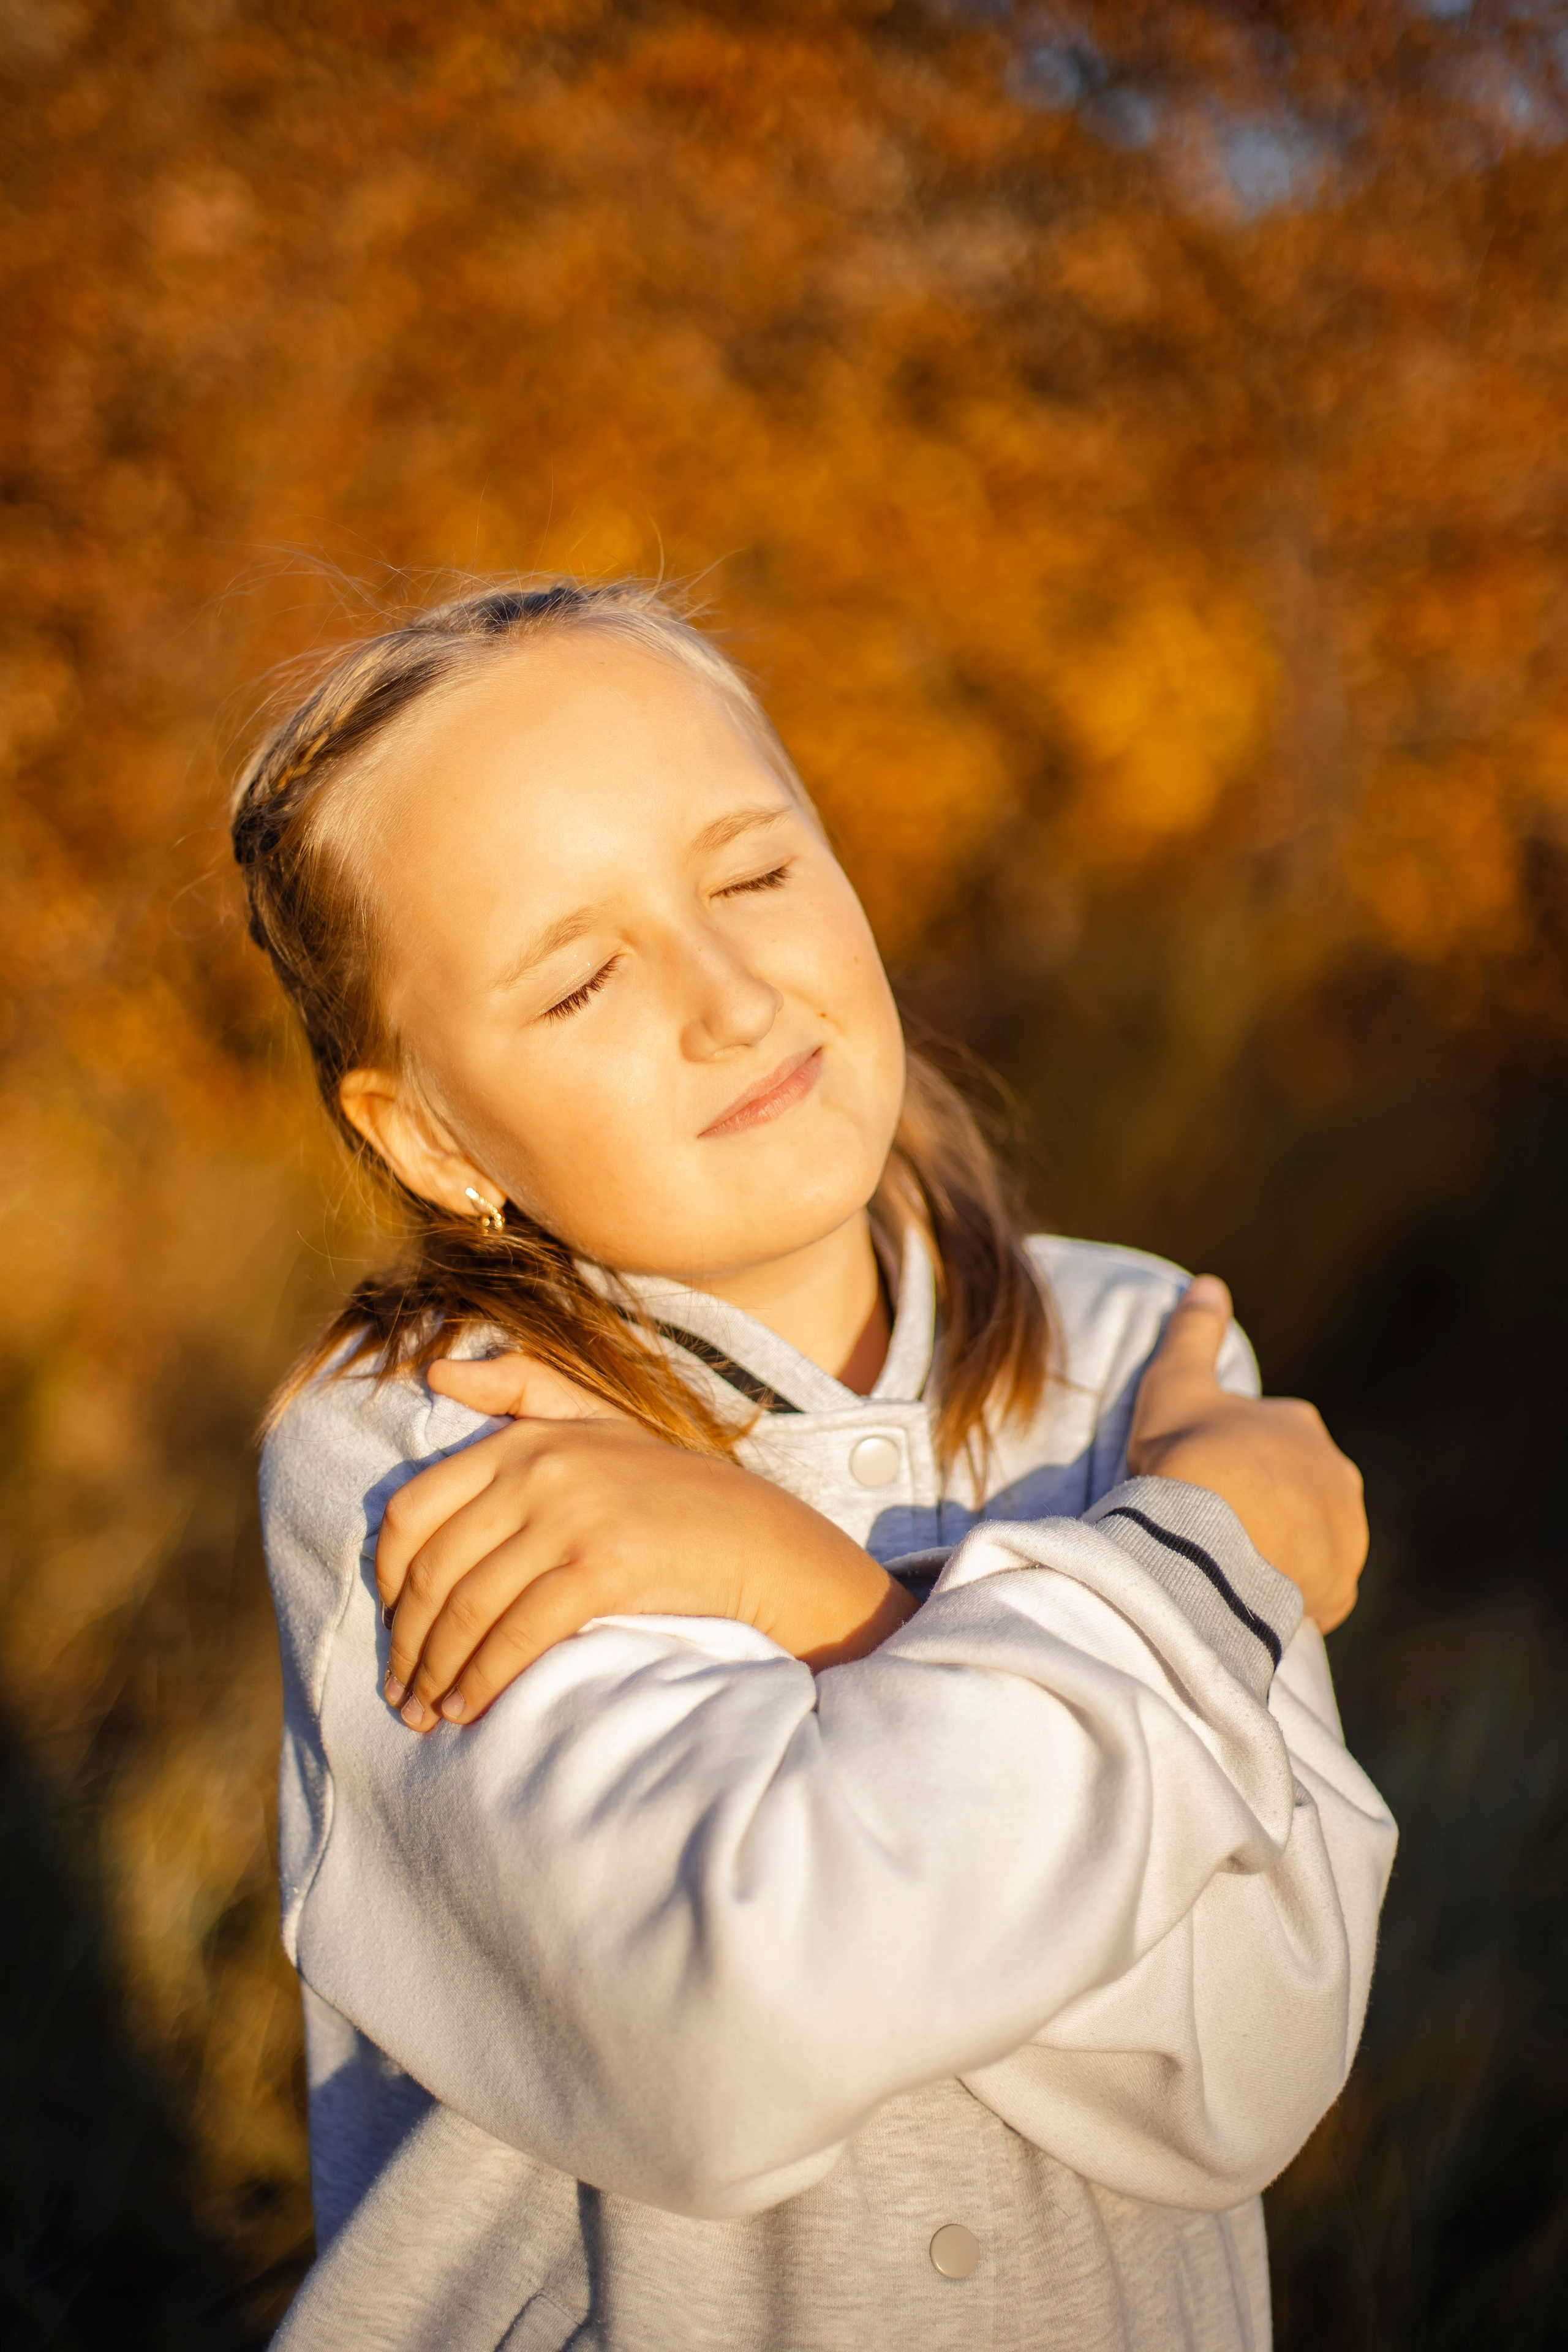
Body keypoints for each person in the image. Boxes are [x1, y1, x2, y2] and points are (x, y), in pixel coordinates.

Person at [233, 578, 1393, 2352]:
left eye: (756, 874)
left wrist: (827, 1598)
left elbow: (1250, 2054)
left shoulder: (1136, 1355)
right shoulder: (433, 1444)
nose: (728, 996)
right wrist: (1200, 1560)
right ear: (432, 1137)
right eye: (583, 977)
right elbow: (742, 2028)